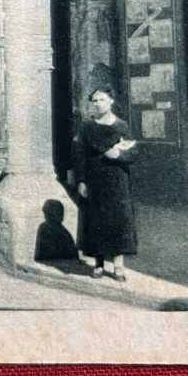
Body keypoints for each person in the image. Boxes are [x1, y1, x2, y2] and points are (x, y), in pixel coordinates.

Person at [76, 85, 138, 281]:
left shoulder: (121, 126)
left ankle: (118, 265)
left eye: (102, 100)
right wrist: (82, 181)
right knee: (97, 220)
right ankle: (99, 264)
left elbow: (133, 152)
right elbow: (80, 156)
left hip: (117, 179)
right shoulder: (87, 127)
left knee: (119, 220)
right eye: (94, 101)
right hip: (95, 179)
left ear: (111, 101)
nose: (98, 104)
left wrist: (118, 154)